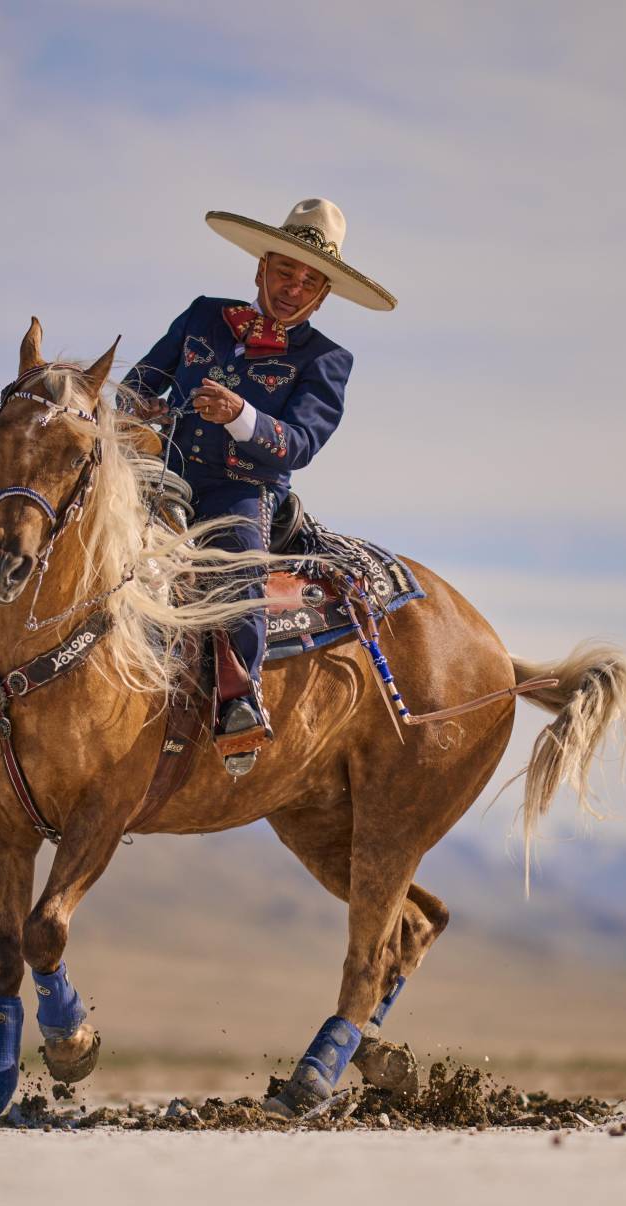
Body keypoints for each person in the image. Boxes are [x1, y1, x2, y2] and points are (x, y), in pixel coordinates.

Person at [122, 198, 397, 776]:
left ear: (323, 295)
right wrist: (140, 406)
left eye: (309, 281)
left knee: (239, 569)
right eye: (285, 272)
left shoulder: (325, 360)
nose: (293, 288)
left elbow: (300, 443)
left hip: (241, 489)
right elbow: (141, 381)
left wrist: (239, 415)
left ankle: (238, 701)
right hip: (162, 473)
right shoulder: (203, 316)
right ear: (260, 269)